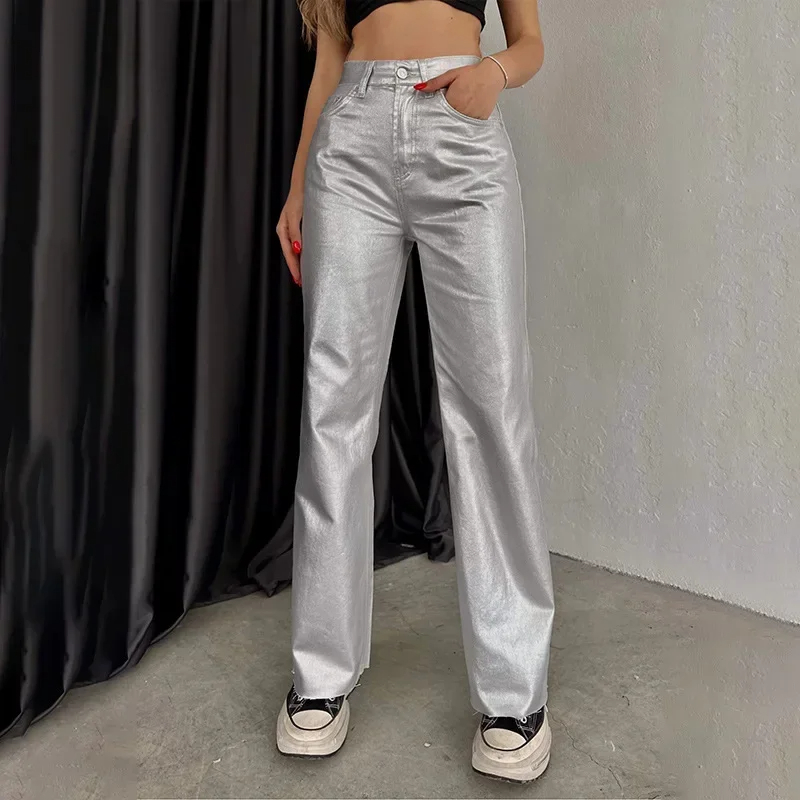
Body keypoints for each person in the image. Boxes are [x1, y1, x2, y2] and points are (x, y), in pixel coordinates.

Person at [275, 0, 554, 783]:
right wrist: (297, 185)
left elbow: (531, 43)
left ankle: (514, 692)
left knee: (492, 407)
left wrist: (493, 74)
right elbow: (328, 65)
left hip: (460, 134)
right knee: (332, 408)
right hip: (351, 143)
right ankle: (320, 674)